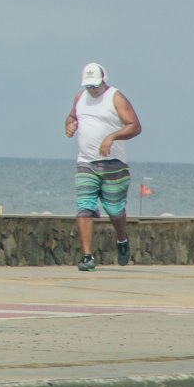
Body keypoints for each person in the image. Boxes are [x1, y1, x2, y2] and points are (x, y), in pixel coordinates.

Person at [63, 62, 141, 271]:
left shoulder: (115, 97)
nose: (92, 90)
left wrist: (112, 136)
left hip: (113, 164)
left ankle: (122, 239)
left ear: (104, 80)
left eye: (95, 85)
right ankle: (87, 256)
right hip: (86, 162)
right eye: (88, 86)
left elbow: (135, 126)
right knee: (85, 208)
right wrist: (69, 125)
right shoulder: (80, 98)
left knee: (114, 209)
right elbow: (72, 116)